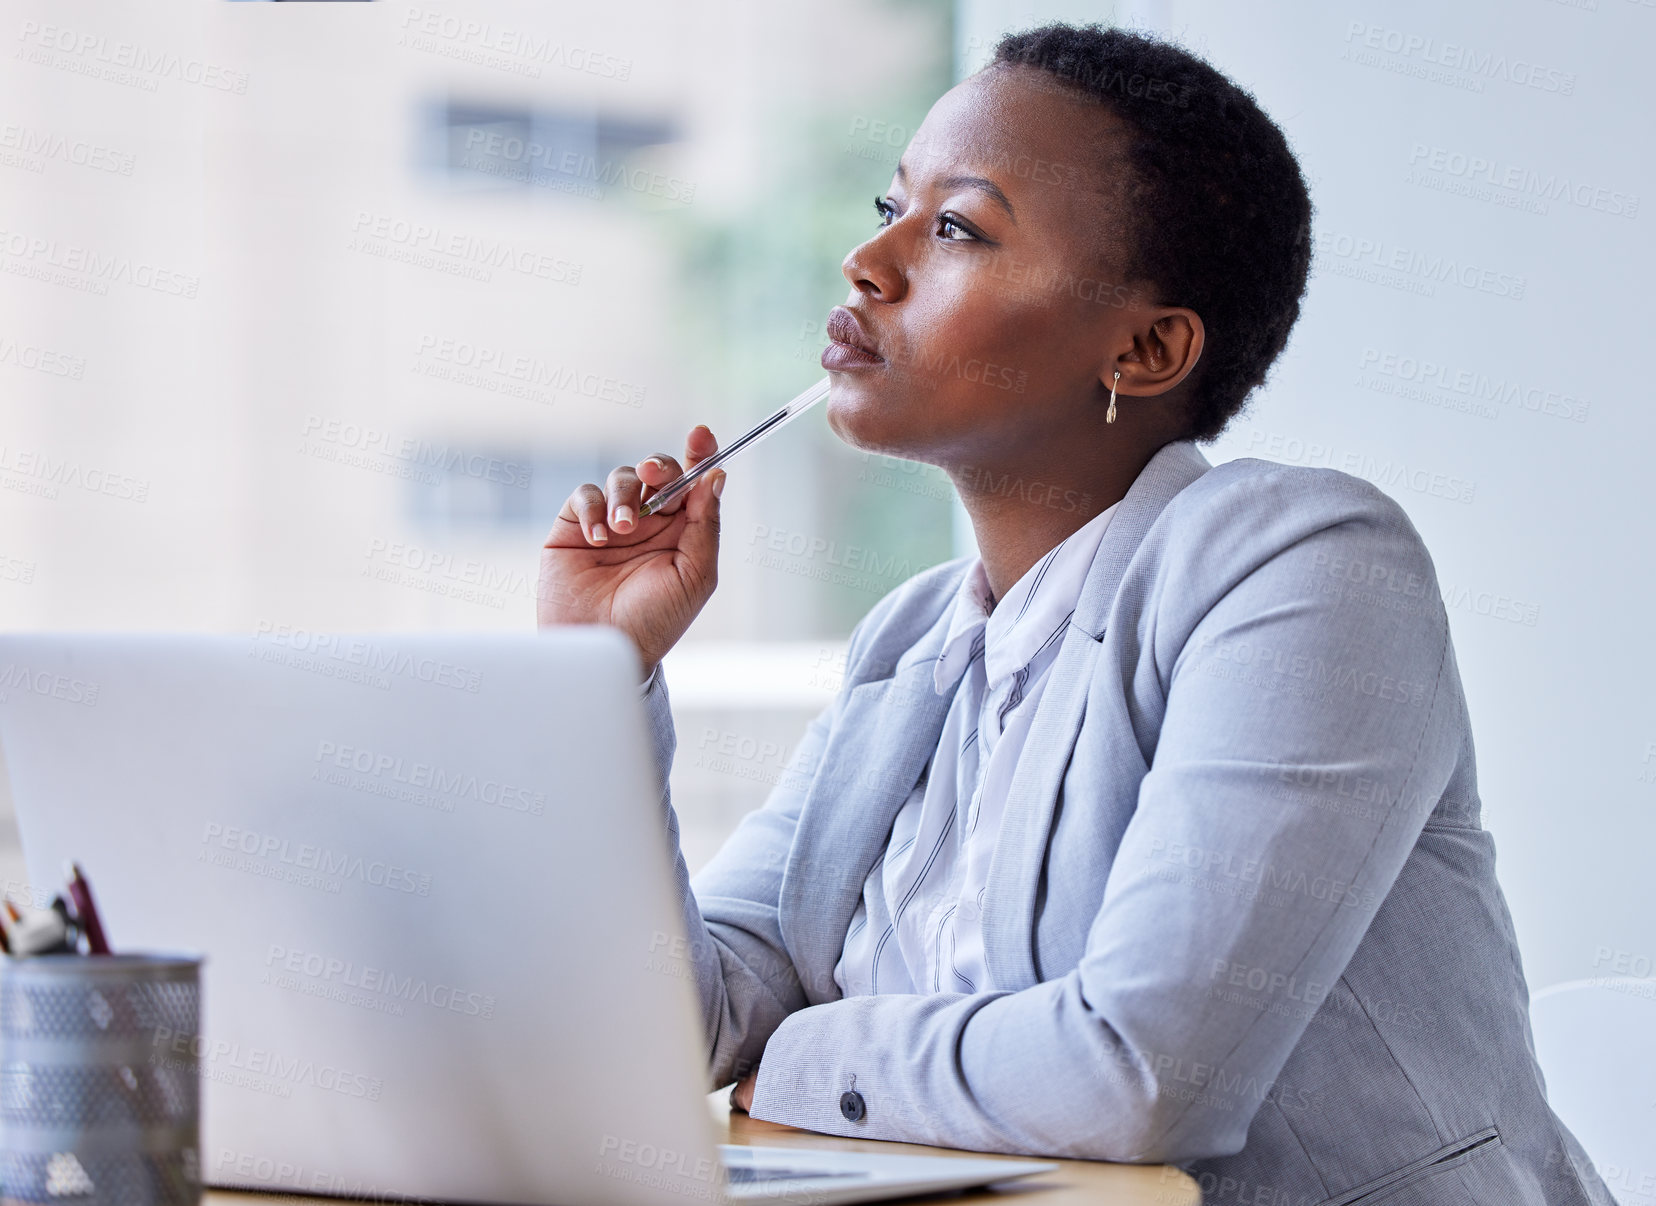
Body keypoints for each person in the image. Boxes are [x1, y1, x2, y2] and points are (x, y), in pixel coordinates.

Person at [537, 23, 1612, 1206]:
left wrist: (795, 1056)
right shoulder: (913, 643)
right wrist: (601, 679)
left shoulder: (1307, 570)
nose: (868, 261)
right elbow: (682, 1024)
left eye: (956, 229)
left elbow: (1139, 1075)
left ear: (1145, 349)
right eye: (891, 204)